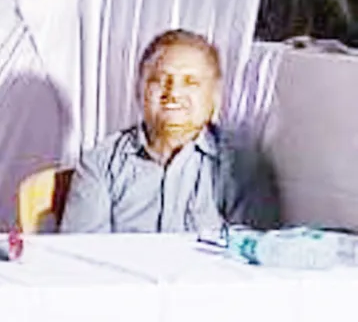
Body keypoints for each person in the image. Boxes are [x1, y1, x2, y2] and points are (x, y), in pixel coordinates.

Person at [60, 29, 278, 233]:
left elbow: (252, 252)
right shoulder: (100, 164)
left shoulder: (241, 166)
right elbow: (81, 252)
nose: (173, 93)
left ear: (214, 96)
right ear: (139, 90)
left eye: (190, 82)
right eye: (160, 80)